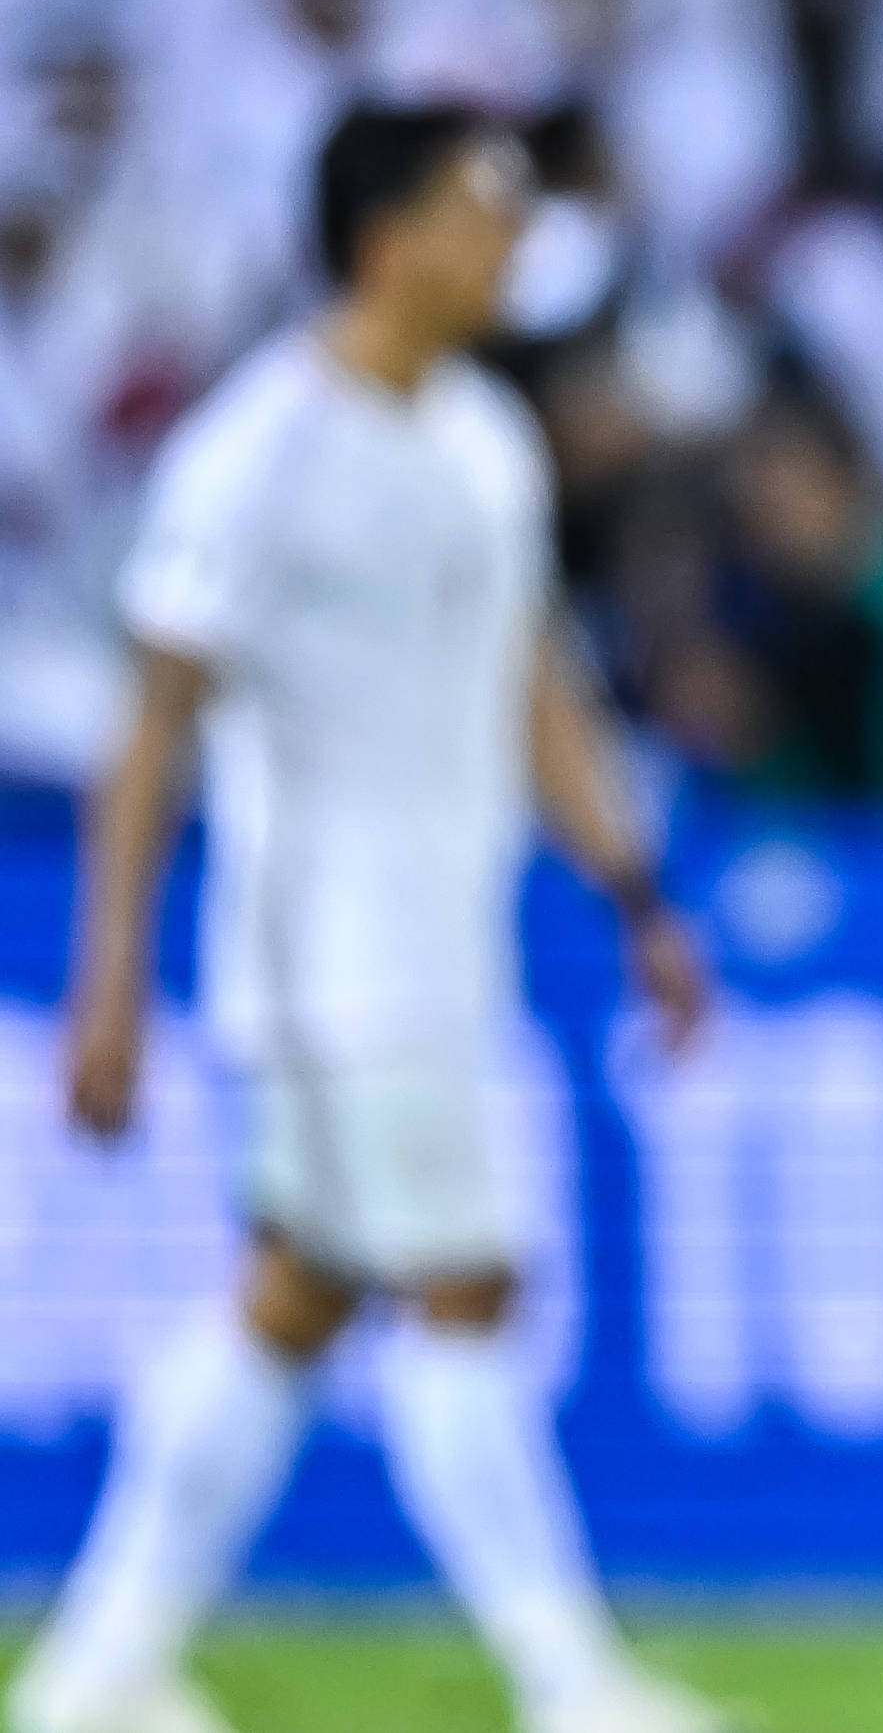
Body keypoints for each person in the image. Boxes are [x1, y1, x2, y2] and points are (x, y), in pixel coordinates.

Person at [20, 104, 724, 1733]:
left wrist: (636, 897)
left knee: (296, 1301)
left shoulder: (484, 439)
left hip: (442, 946)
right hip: (326, 965)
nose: (510, 249)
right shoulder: (254, 450)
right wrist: (106, 982)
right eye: (483, 215)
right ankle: (573, 1682)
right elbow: (151, 728)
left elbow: (532, 683)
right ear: (389, 238)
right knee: (467, 1285)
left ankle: (98, 1666)